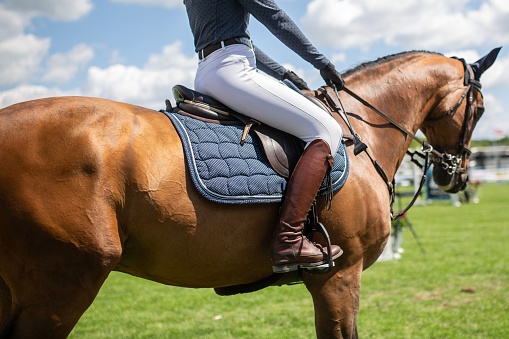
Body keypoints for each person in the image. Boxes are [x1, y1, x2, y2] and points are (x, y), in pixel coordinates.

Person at [183, 0, 345, 273]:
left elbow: (236, 39)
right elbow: (275, 18)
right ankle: (289, 238)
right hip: (233, 69)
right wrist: (322, 63)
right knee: (327, 130)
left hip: (210, 69)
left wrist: (286, 75)